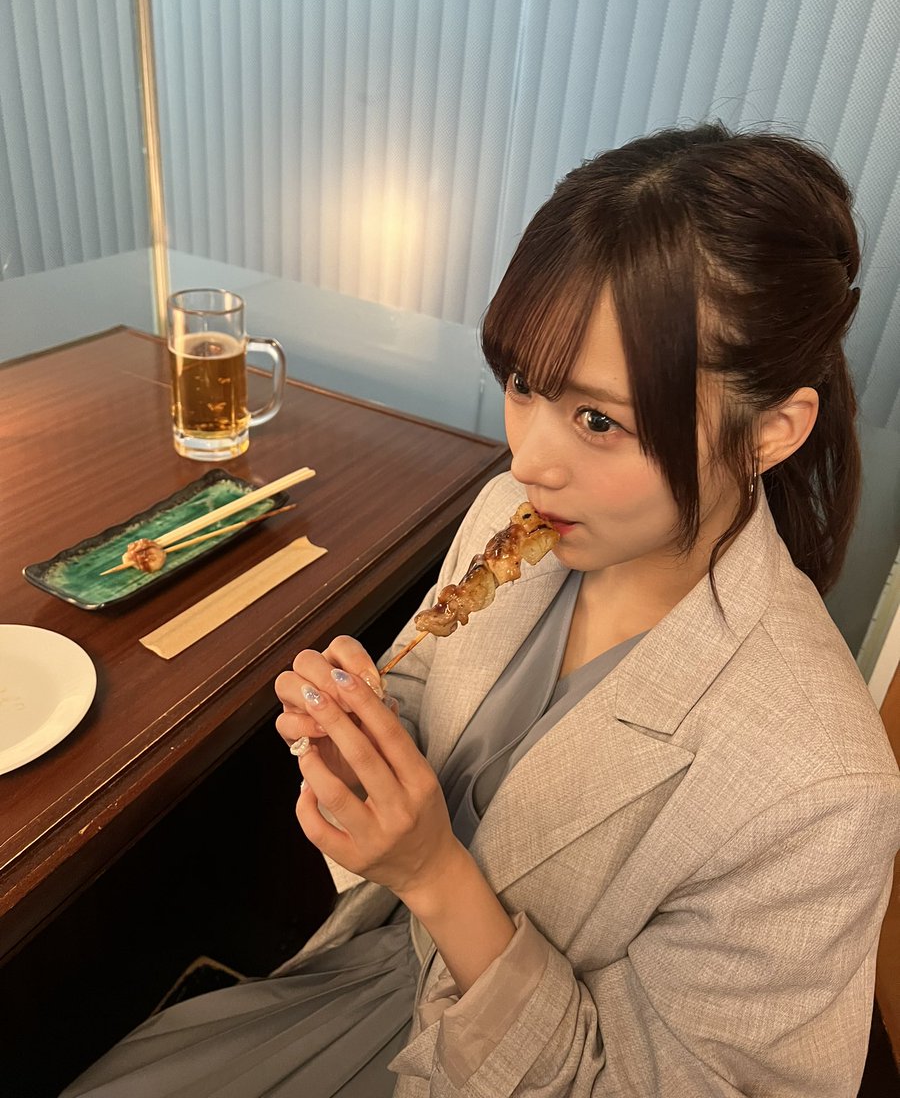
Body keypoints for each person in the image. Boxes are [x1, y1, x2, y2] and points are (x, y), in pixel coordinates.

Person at [63, 123, 900, 1098]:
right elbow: (430, 676)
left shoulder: (818, 788)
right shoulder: (513, 516)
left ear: (770, 432)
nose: (530, 458)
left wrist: (435, 875)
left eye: (599, 420)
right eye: (523, 385)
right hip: (363, 965)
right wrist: (366, 726)